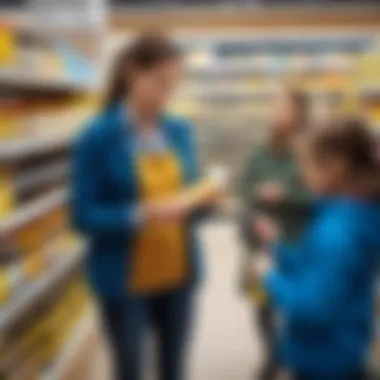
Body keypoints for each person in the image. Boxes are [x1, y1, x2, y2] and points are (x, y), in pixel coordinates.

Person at [71, 33, 221, 380]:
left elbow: (188, 198)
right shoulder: (96, 137)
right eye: (159, 82)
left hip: (179, 274)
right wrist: (140, 213)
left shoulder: (179, 130)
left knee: (174, 369)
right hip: (125, 283)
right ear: (131, 72)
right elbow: (82, 215)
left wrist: (204, 201)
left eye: (173, 85)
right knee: (130, 369)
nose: (166, 94)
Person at [253, 117, 380, 380]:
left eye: (306, 164)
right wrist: (279, 249)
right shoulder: (342, 216)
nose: (301, 173)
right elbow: (316, 269)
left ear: (335, 167)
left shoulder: (338, 233)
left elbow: (315, 307)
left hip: (326, 361)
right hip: (337, 350)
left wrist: (271, 278)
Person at [237, 87, 312, 380]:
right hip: (261, 239)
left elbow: (319, 191)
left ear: (299, 112)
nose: (276, 111)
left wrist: (285, 193)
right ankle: (271, 354)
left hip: (298, 237)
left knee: (298, 303)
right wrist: (255, 192)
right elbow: (243, 185)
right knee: (262, 299)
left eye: (283, 106)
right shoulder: (262, 147)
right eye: (275, 105)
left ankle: (298, 354)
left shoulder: (312, 147)